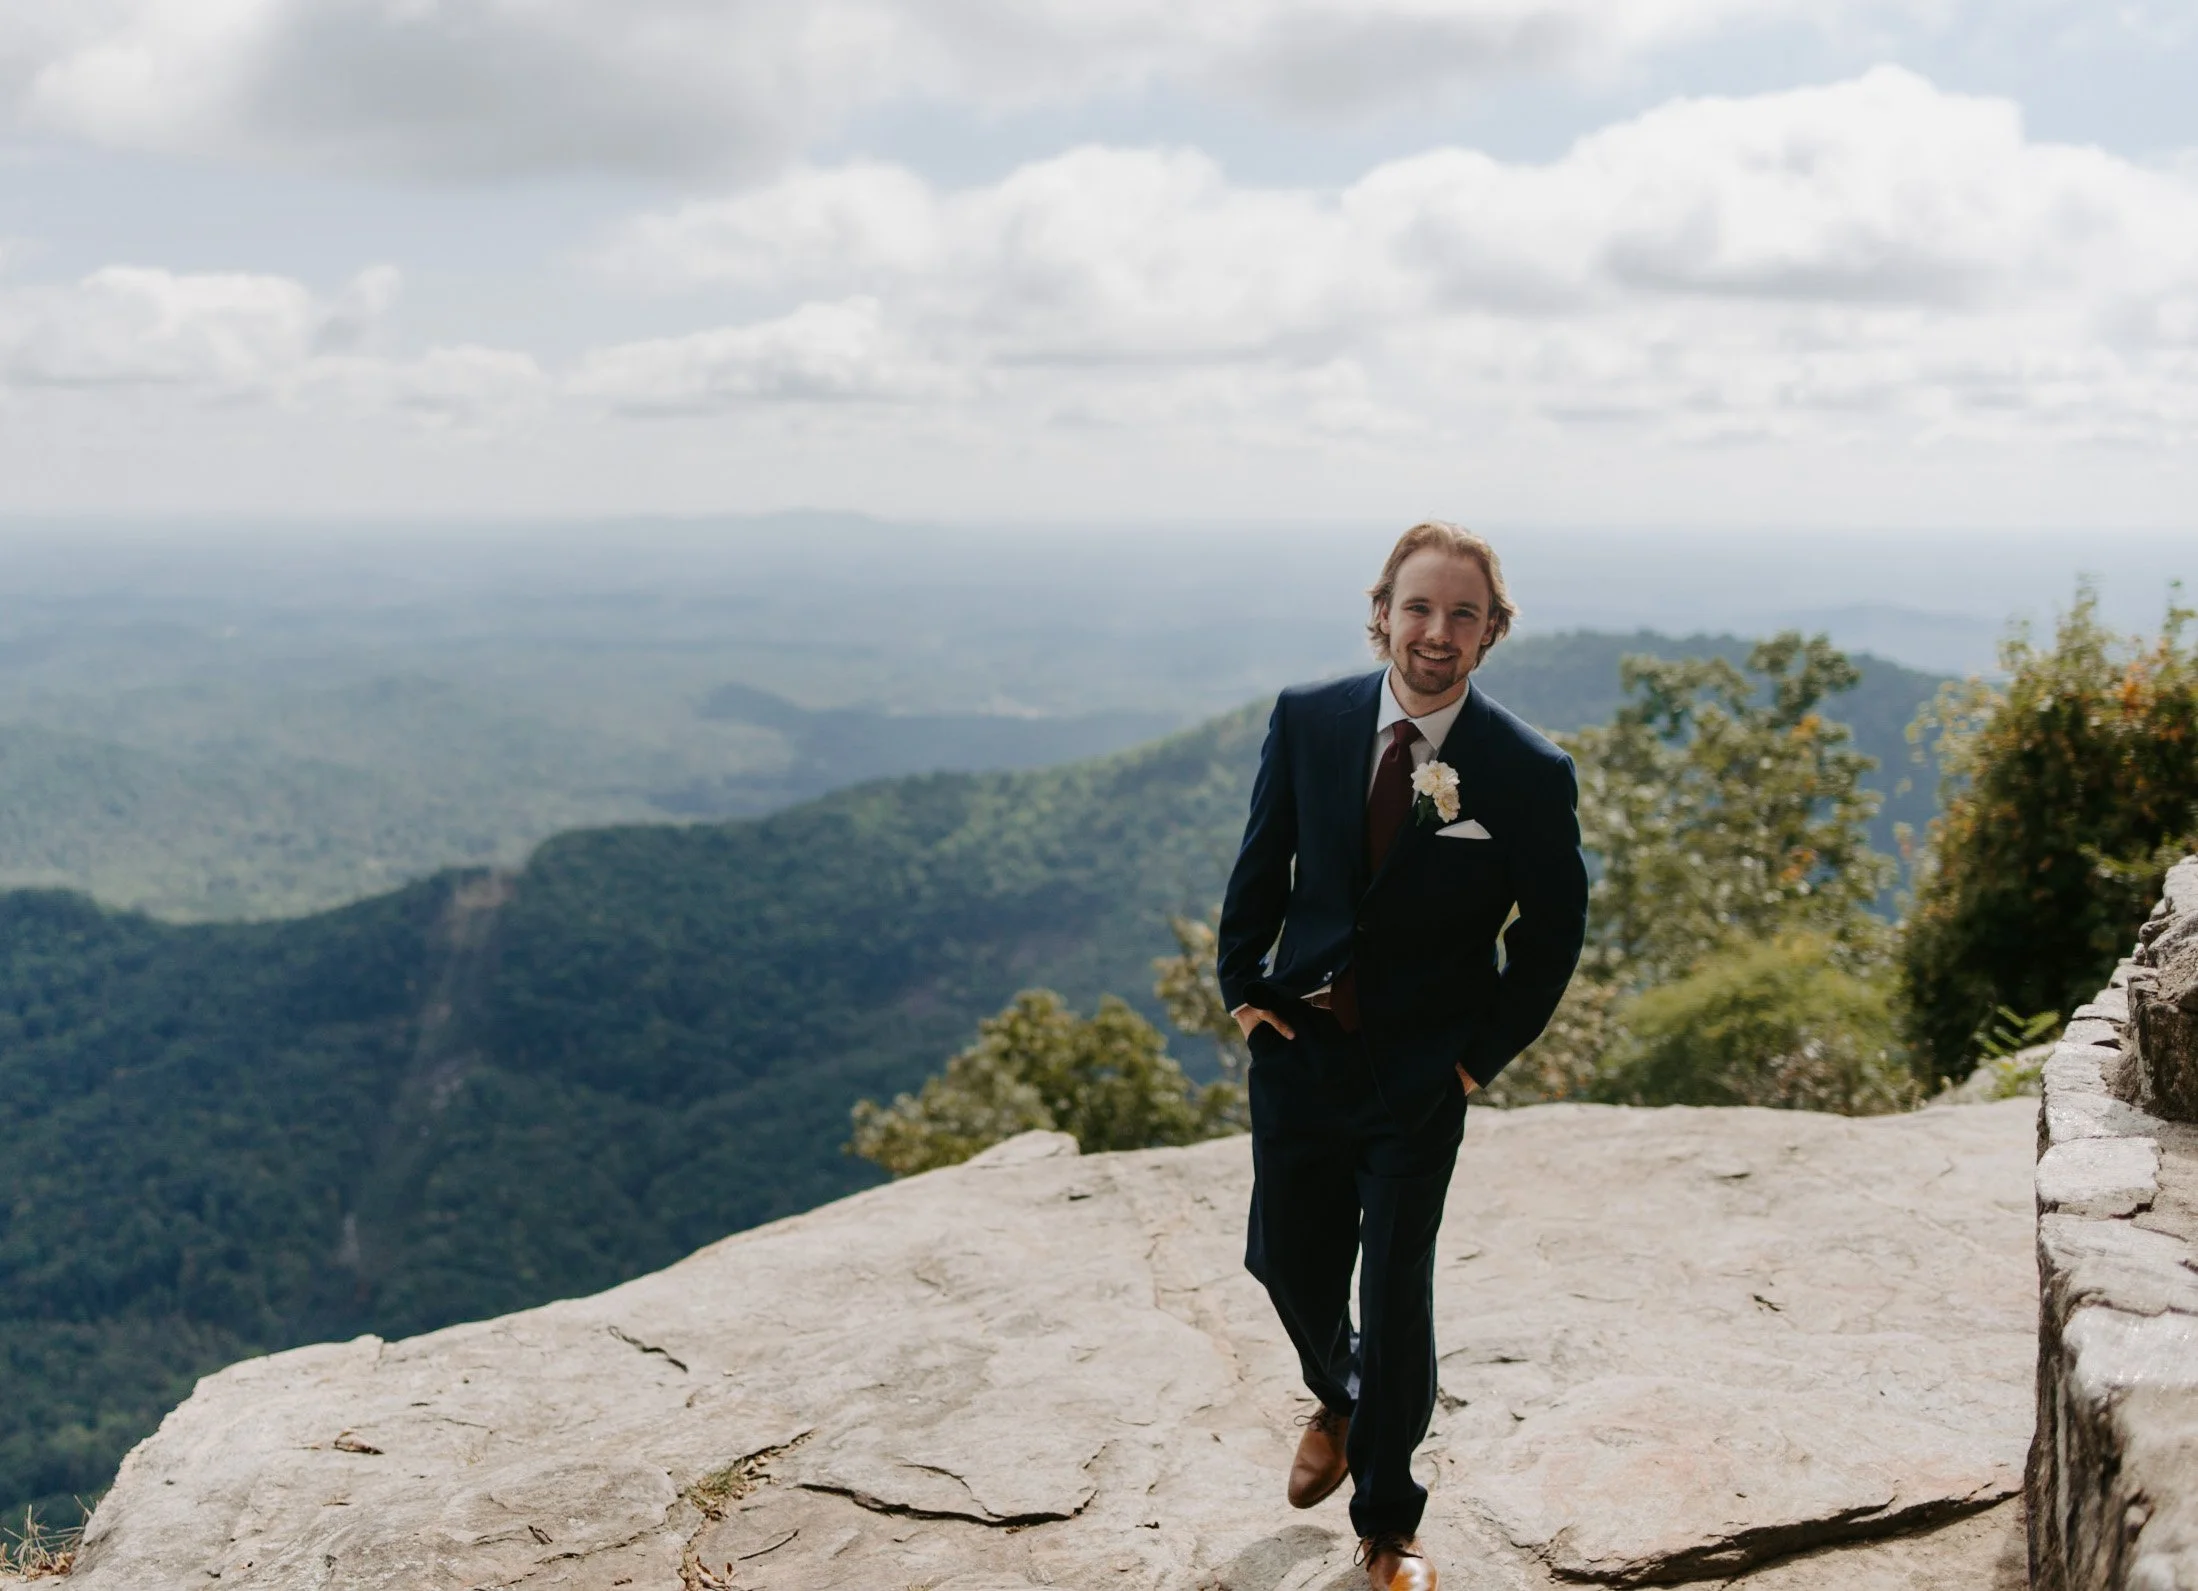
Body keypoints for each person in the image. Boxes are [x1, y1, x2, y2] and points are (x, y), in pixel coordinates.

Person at [1217, 521, 1588, 1591]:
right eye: (1418, 607)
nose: (1437, 630)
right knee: (1281, 1260)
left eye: (1462, 613)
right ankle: (1336, 1393)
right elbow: (1260, 867)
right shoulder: (1308, 720)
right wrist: (1243, 993)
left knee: (1394, 1288)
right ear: (1381, 612)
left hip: (1421, 1075)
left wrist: (1473, 1063)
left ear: (1491, 632)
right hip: (1300, 1048)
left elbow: (1551, 934)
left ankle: (1387, 1523)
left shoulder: (1523, 770)